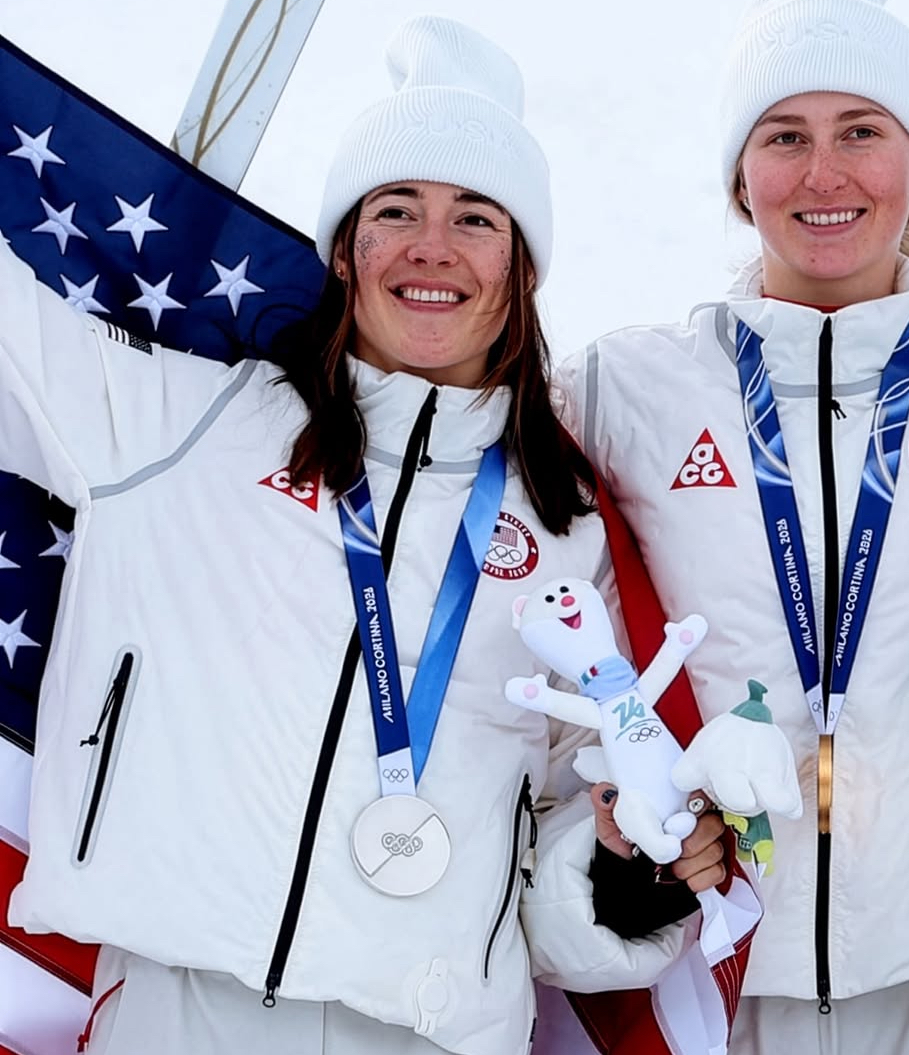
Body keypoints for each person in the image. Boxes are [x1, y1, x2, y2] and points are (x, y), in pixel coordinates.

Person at [0, 16, 718, 1055]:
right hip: (178, 1011)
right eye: (396, 209)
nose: (433, 246)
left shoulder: (567, 538)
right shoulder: (182, 426)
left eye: (477, 218)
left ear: (522, 268)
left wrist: (626, 871)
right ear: (347, 248)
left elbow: (564, 882)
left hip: (429, 1031)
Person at [557, 1, 909, 1052]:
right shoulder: (627, 386)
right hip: (713, 976)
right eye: (784, 135)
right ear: (739, 178)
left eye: (863, 132)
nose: (822, 173)